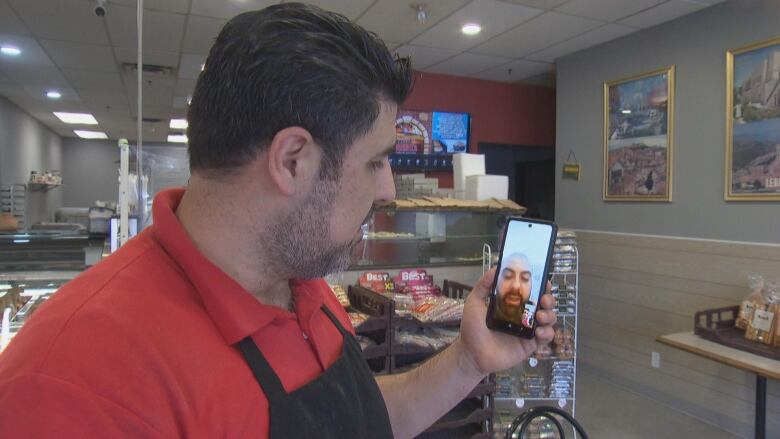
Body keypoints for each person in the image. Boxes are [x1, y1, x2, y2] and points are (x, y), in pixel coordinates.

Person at [0, 4, 556, 438]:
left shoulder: (300, 279)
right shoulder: (73, 382)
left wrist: (468, 360)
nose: (387, 188)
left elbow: (358, 422)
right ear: (293, 161)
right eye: (376, 161)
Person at [495, 253, 535, 327]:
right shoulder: (483, 310)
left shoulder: (532, 313)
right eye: (508, 275)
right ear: (496, 278)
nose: (516, 286)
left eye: (525, 278)